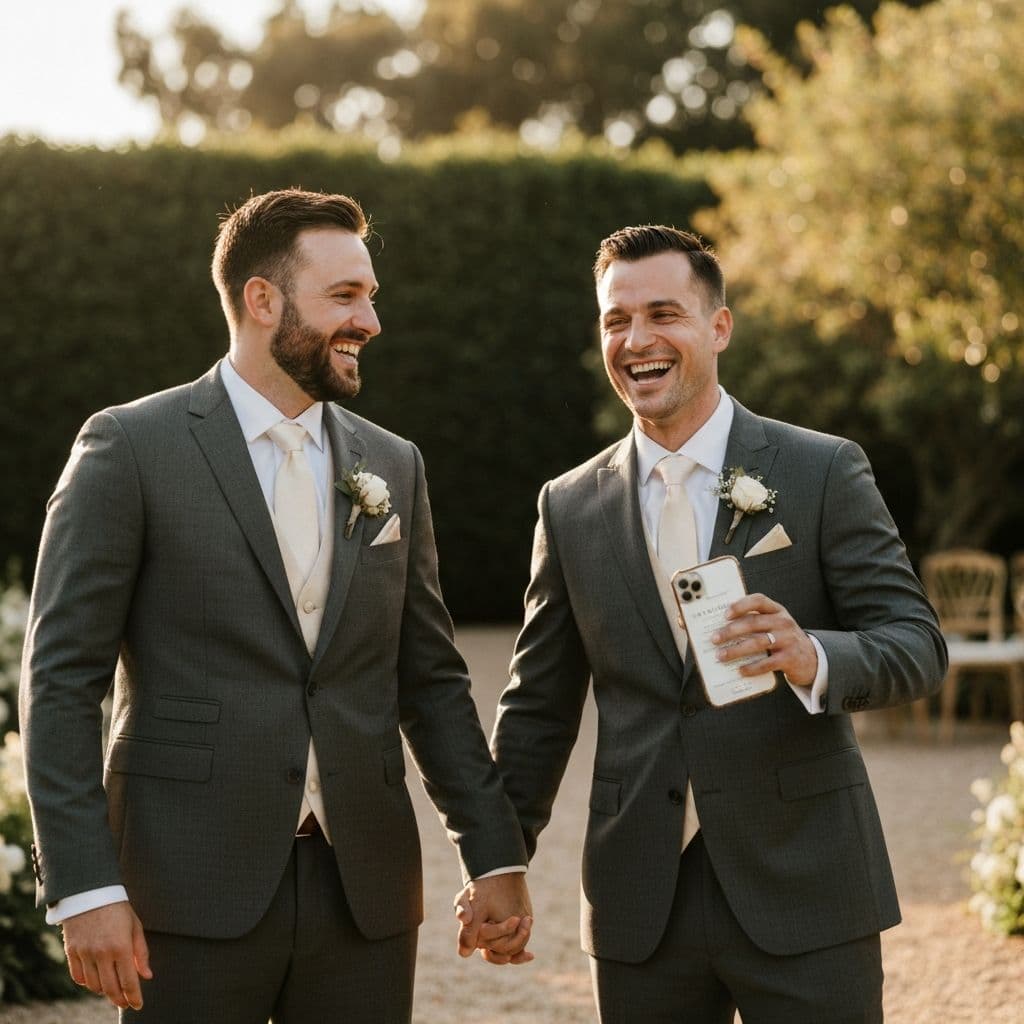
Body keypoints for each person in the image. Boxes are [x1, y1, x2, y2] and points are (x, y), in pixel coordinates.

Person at [19, 187, 532, 1023]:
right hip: (183, 886)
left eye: (371, 295)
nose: (370, 320)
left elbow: (430, 680)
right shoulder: (130, 448)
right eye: (345, 296)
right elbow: (60, 680)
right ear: (262, 301)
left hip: (363, 890)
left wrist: (495, 852)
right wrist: (83, 886)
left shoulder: (394, 465)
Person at [478, 225, 947, 1022]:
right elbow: (538, 708)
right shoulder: (570, 505)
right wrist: (495, 859)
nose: (637, 340)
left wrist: (811, 656)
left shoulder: (822, 469)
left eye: (664, 313)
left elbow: (916, 643)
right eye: (615, 320)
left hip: (806, 882)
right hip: (639, 900)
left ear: (719, 327)